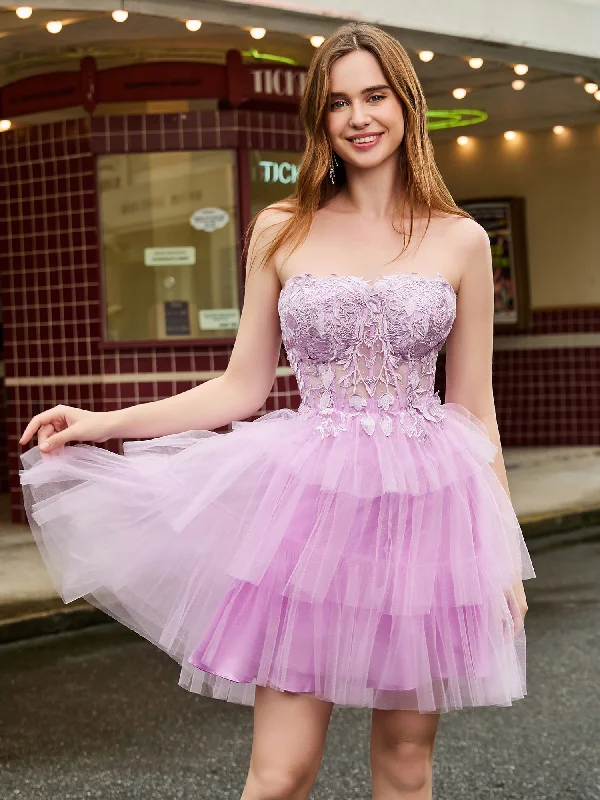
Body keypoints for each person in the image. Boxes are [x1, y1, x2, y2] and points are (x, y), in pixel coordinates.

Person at [19, 22, 535, 800]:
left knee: (405, 767)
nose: (359, 116)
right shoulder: (279, 227)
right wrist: (103, 423)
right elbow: (240, 389)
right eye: (338, 103)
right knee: (280, 771)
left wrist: (502, 548)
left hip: (427, 516)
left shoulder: (459, 239)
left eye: (374, 96)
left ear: (406, 105)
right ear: (319, 119)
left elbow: (472, 409)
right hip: (310, 513)